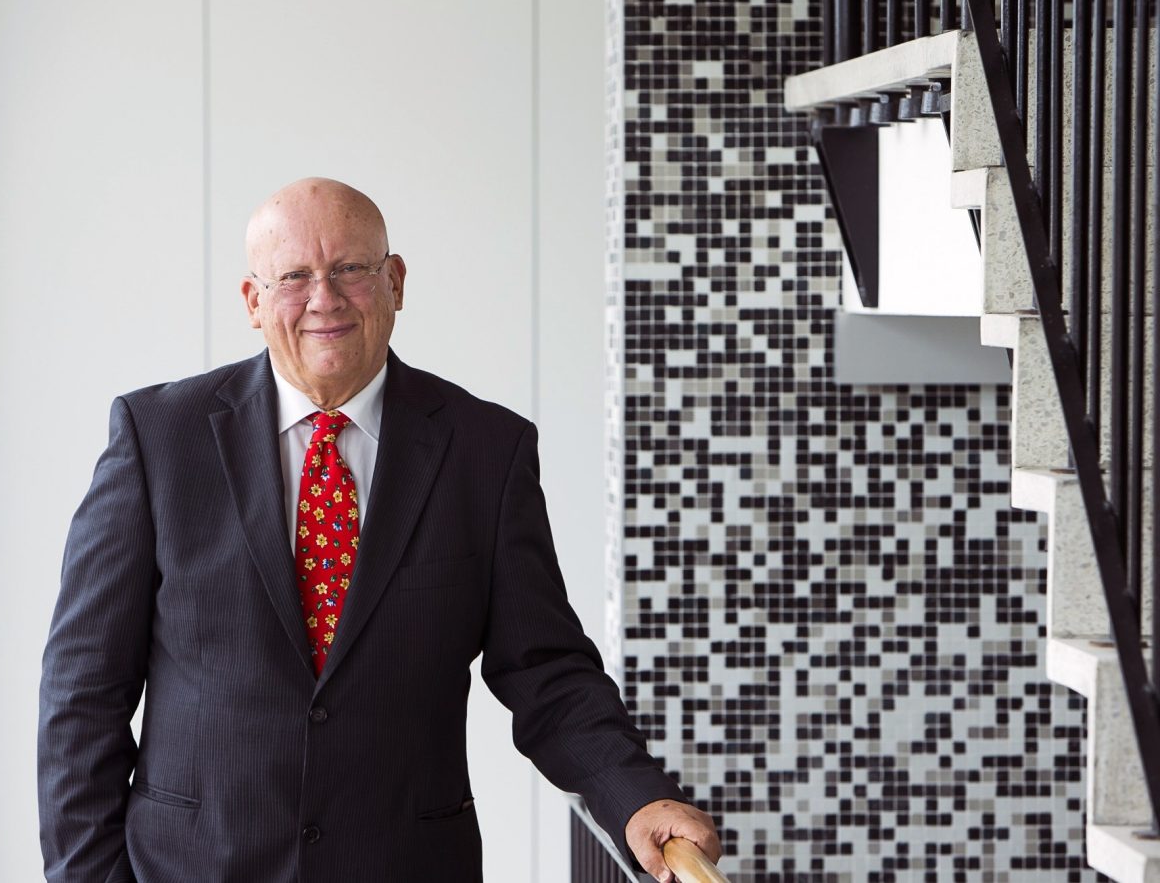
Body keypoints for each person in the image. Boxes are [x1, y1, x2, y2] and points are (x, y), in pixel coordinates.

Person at [38, 177, 720, 882]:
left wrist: (637, 796)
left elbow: (545, 669)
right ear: (253, 302)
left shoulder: (485, 450)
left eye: (351, 270)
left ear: (394, 281)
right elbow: (81, 693)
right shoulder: (158, 440)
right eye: (294, 276)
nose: (324, 298)